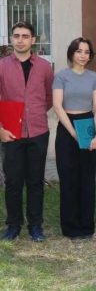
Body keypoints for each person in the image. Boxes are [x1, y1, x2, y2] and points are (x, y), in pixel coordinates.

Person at [0, 22, 54, 242]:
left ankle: (35, 226)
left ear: (33, 40)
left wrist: (35, 114)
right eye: (16, 36)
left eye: (25, 36)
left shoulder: (44, 67)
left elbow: (49, 97)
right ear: (11, 39)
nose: (20, 40)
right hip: (10, 132)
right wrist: (0, 129)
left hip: (38, 132)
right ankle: (13, 226)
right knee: (13, 181)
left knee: (35, 181)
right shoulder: (2, 66)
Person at [53, 37, 96, 239]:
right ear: (72, 53)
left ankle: (86, 226)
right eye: (79, 51)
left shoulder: (94, 77)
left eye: (86, 52)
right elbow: (57, 106)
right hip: (67, 126)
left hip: (88, 124)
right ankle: (70, 227)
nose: (83, 55)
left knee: (87, 178)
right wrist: (74, 133)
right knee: (68, 178)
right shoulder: (61, 76)